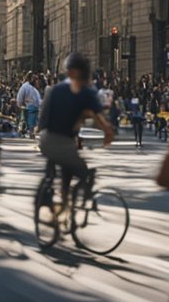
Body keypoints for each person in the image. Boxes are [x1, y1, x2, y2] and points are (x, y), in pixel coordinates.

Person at [38, 53, 114, 209]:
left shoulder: (55, 90)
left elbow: (43, 118)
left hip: (46, 139)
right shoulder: (86, 92)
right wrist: (108, 132)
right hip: (63, 141)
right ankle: (71, 200)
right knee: (84, 173)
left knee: (64, 168)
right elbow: (98, 117)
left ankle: (58, 202)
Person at [17, 72, 42, 138]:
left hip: (35, 107)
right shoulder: (25, 86)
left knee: (33, 121)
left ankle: (31, 131)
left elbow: (38, 98)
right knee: (29, 120)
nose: (36, 80)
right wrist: (20, 105)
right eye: (34, 78)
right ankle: (30, 132)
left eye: (37, 79)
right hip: (28, 107)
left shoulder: (34, 88)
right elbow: (20, 97)